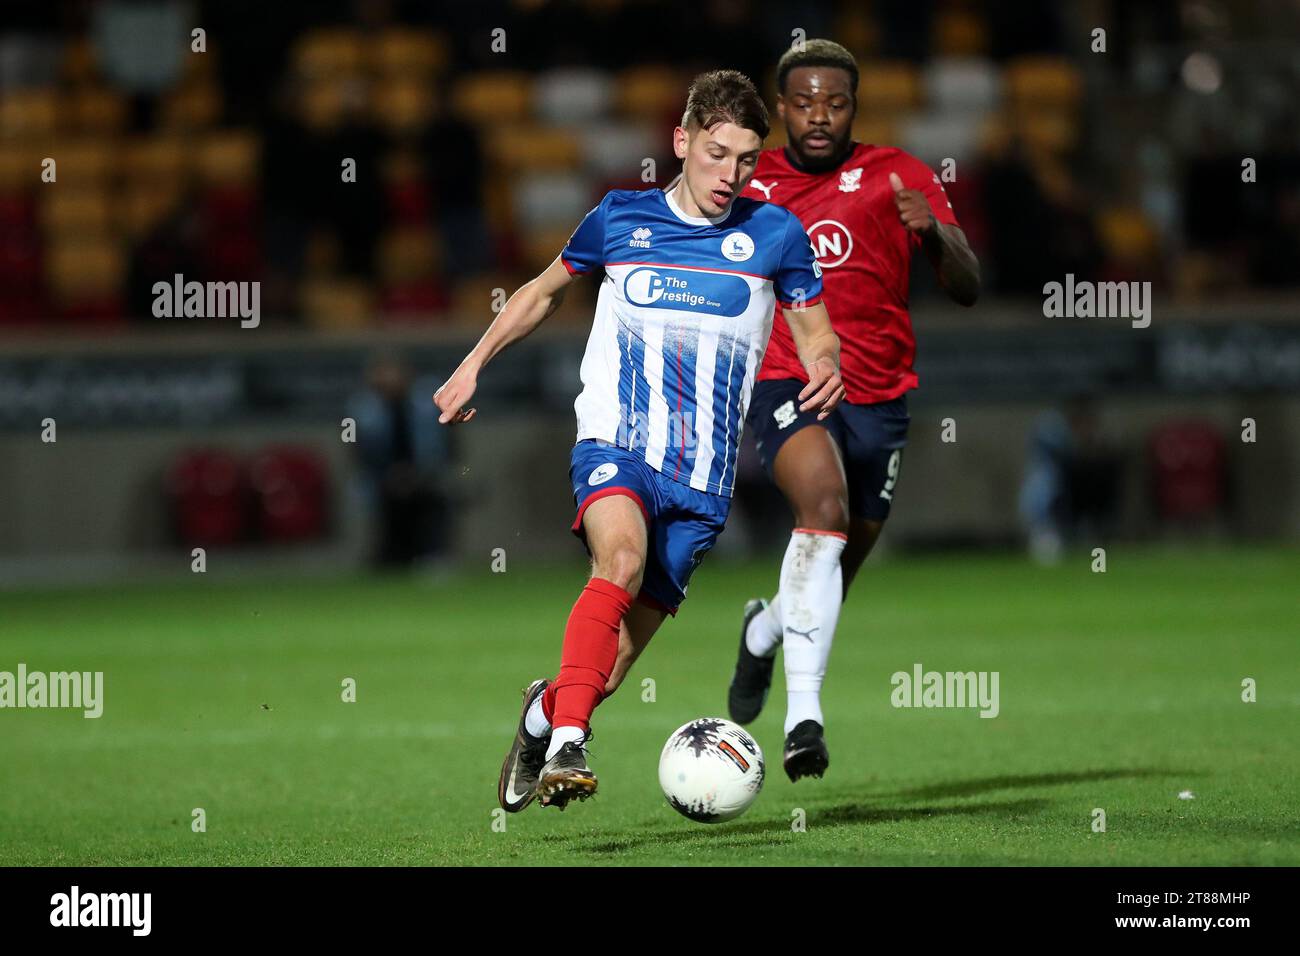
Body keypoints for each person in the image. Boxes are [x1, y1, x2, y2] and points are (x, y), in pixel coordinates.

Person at [434, 70, 844, 812]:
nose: (731, 174)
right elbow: (539, 292)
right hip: (617, 447)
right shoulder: (619, 219)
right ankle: (567, 745)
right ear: (681, 142)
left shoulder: (774, 234)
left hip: (703, 482)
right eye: (717, 153)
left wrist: (825, 362)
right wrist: (472, 365)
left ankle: (540, 717)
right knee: (617, 561)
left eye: (747, 159)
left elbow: (816, 330)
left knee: (612, 666)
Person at [727, 40, 981, 781]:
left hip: (880, 393)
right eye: (803, 102)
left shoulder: (900, 174)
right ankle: (805, 719)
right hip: (788, 379)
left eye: (834, 103)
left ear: (853, 108)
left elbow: (966, 283)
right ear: (780, 108)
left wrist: (934, 233)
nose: (818, 117)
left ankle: (765, 628)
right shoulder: (750, 183)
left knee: (836, 560)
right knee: (824, 507)